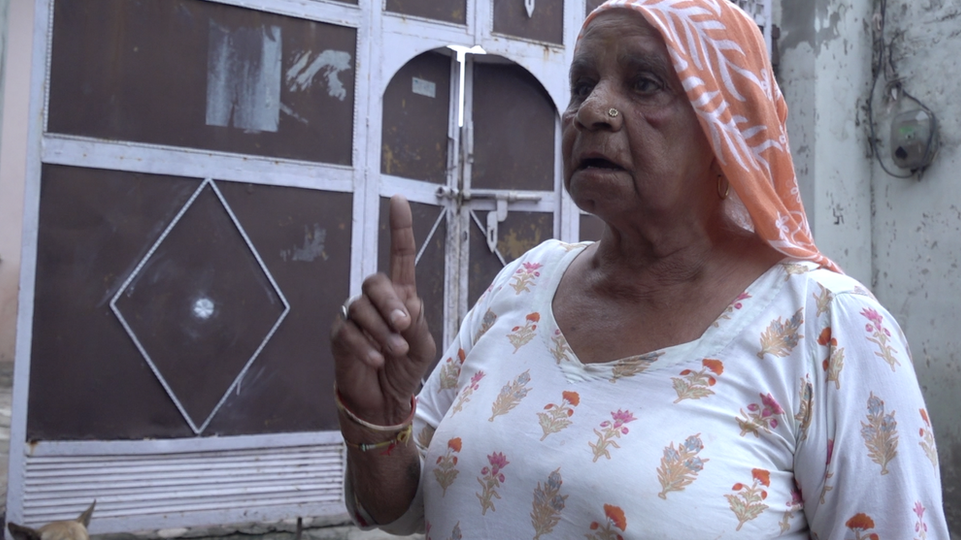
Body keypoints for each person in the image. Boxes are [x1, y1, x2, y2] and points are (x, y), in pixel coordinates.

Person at [330, 0, 951, 537]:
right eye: (582, 85)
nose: (592, 110)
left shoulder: (828, 328)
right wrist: (379, 417)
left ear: (726, 132)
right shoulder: (524, 282)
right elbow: (405, 508)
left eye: (645, 84)